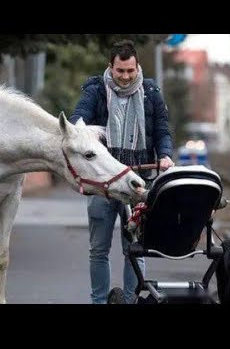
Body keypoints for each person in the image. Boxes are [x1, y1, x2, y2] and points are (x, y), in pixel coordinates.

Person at [69, 39, 174, 304]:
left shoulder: (151, 92)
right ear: (111, 68)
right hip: (103, 185)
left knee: (135, 250)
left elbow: (162, 131)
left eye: (130, 71)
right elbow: (78, 117)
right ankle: (99, 302)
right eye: (120, 71)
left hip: (138, 183)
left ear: (137, 67)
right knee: (99, 250)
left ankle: (130, 301)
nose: (125, 77)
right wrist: (77, 128)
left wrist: (165, 155)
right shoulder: (95, 90)